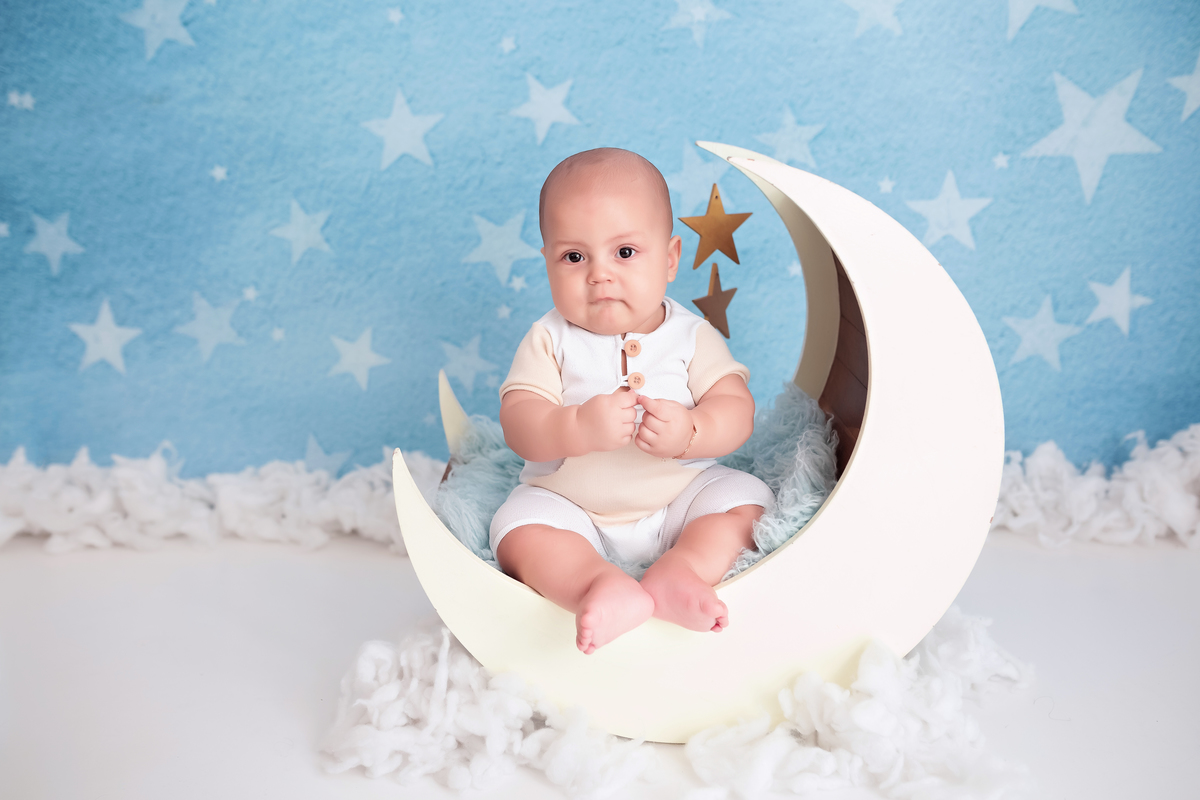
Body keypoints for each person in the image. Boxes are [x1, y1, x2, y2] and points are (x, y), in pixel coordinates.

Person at [491, 148, 774, 654]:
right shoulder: (549, 339)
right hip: (571, 506)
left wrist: (692, 432)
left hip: (680, 499)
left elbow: (735, 407)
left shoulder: (691, 335)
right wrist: (574, 427)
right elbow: (519, 420)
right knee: (516, 530)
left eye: (624, 252)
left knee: (747, 501)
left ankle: (681, 570)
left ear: (669, 259)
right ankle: (596, 584)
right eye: (574, 257)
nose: (599, 274)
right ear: (548, 263)